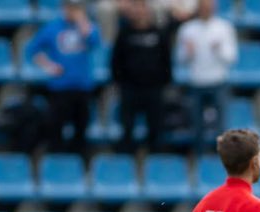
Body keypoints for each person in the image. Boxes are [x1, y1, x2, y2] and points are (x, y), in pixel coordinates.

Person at [25, 0, 100, 153]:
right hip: (60, 87)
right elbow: (32, 49)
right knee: (56, 129)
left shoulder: (88, 26)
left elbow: (94, 42)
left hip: (82, 86)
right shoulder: (52, 27)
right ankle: (57, 158)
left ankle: (78, 159)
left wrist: (82, 22)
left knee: (81, 129)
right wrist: (49, 66)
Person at [111, 0, 176, 151]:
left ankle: (154, 158)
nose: (139, 12)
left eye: (142, 9)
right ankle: (127, 157)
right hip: (130, 88)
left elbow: (166, 59)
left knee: (155, 128)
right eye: (136, 9)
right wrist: (120, 81)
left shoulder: (158, 33)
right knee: (127, 127)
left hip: (153, 88)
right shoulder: (124, 33)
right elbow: (116, 60)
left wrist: (163, 81)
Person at [175, 0, 237, 151]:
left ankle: (222, 156)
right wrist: (188, 52)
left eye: (209, 6)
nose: (206, 9)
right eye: (203, 6)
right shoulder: (187, 29)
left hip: (218, 82)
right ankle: (199, 157)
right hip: (196, 82)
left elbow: (231, 57)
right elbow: (180, 59)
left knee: (221, 125)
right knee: (196, 125)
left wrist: (219, 49)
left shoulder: (224, 28)